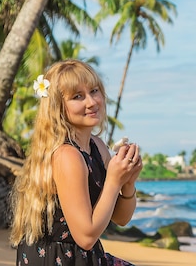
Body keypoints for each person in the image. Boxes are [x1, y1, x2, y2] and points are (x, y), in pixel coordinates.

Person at [10, 59, 143, 265]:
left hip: (85, 255)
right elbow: (86, 237)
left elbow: (121, 219)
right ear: (58, 107)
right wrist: (114, 181)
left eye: (94, 91)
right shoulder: (67, 156)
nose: (91, 102)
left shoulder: (97, 147)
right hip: (57, 258)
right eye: (78, 97)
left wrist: (128, 183)